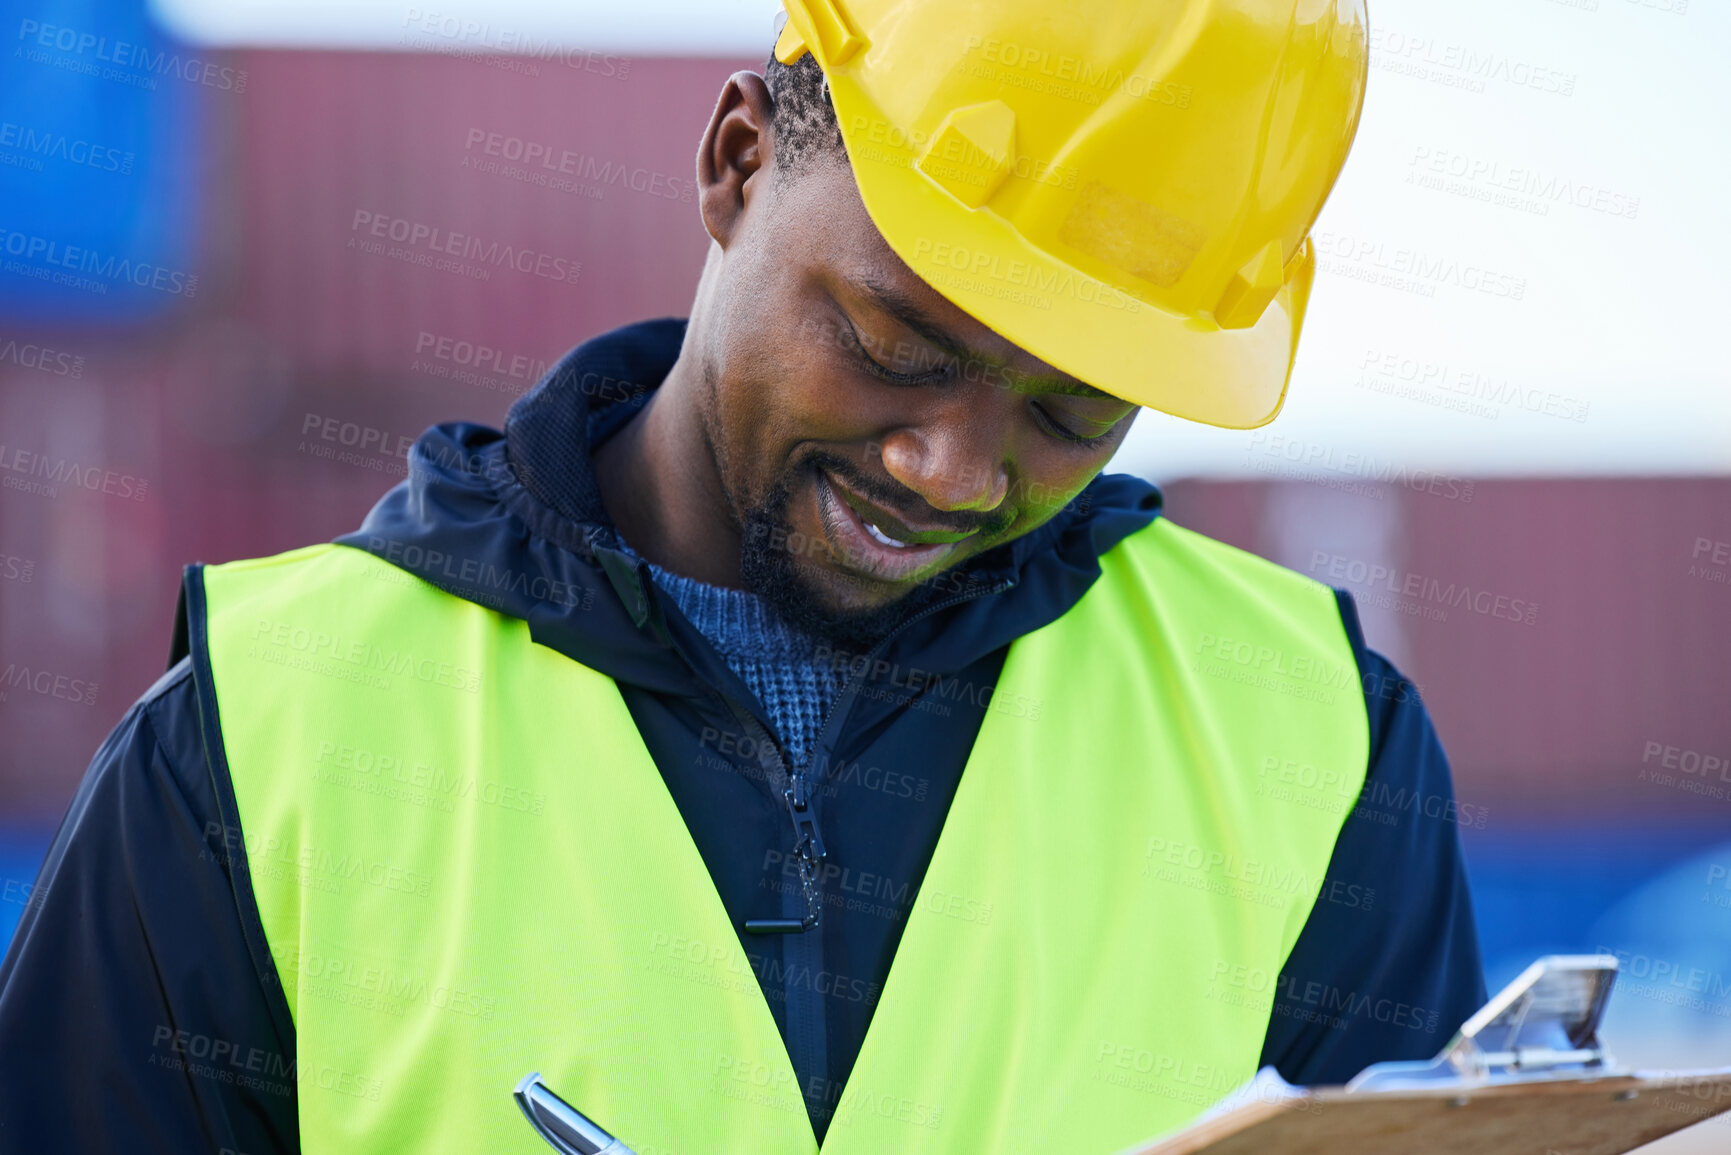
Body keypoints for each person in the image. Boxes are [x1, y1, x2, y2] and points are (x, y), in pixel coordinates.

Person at [0, 2, 1485, 1152]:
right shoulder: (263, 745)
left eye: (1071, 411)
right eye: (899, 347)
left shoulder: (1315, 745)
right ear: (736, 163)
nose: (954, 472)